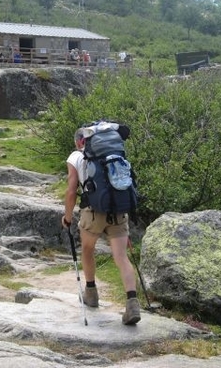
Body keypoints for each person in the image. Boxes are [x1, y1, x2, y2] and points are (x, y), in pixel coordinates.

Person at [62, 127, 141, 325]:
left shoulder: (76, 157)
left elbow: (72, 190)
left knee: (88, 251)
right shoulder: (113, 155)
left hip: (93, 212)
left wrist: (68, 217)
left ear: (80, 142)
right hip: (118, 211)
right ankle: (132, 303)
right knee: (121, 258)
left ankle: (91, 293)